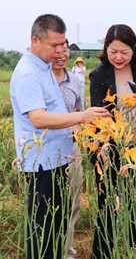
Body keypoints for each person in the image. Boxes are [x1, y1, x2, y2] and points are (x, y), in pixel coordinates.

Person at [10, 14, 110, 259]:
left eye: (62, 44)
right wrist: (82, 117)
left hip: (58, 159)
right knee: (42, 228)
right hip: (42, 162)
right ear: (36, 40)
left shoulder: (43, 67)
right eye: (53, 45)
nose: (59, 51)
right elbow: (39, 118)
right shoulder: (28, 74)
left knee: (55, 223)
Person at [88, 24, 136, 258]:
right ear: (106, 48)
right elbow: (100, 116)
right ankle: (103, 253)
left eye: (124, 52)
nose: (118, 57)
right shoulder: (98, 75)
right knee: (107, 202)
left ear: (134, 50)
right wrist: (106, 148)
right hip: (109, 146)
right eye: (113, 51)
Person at [51, 39, 84, 259]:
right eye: (56, 50)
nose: (62, 54)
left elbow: (79, 112)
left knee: (72, 202)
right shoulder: (40, 79)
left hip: (71, 147)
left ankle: (67, 252)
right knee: (47, 204)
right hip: (44, 148)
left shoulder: (76, 81)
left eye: (65, 50)